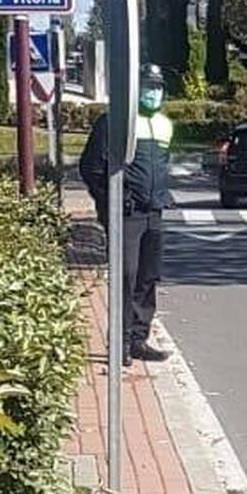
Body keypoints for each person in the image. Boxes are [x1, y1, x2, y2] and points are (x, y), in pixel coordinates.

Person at [79, 64, 174, 367]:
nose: (153, 92)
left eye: (157, 87)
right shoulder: (114, 122)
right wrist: (111, 203)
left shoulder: (164, 124)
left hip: (154, 212)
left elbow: (162, 166)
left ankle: (138, 340)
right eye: (147, 86)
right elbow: (91, 167)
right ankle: (119, 343)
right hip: (127, 214)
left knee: (148, 277)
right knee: (126, 276)